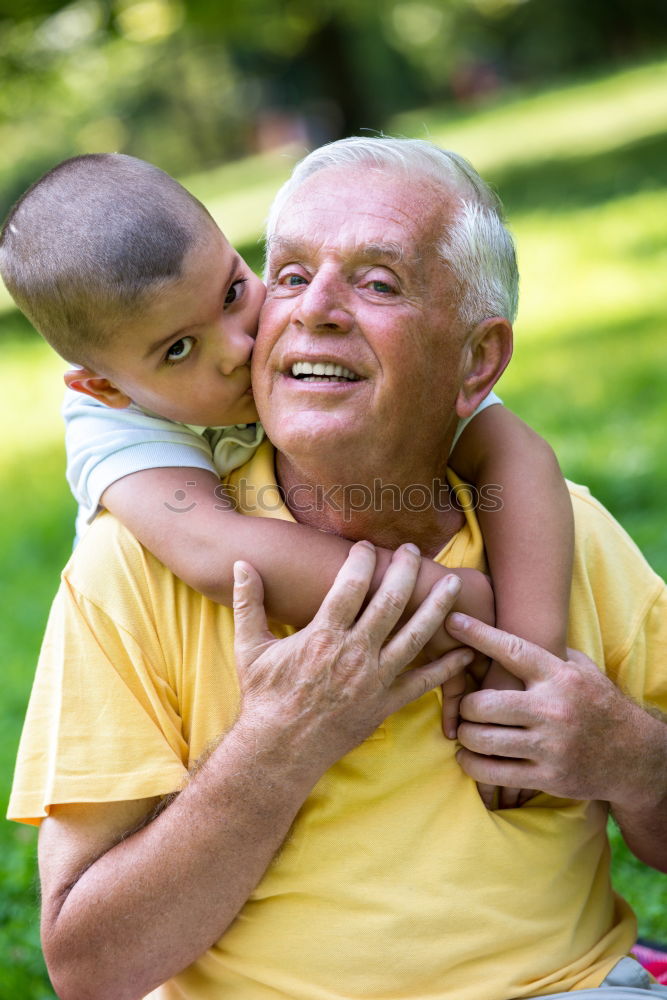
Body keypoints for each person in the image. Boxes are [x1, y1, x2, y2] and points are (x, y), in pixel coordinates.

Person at [7, 137, 667, 1000]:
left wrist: (630, 757)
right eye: (290, 274)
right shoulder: (131, 559)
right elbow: (90, 970)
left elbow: (518, 456)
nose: (310, 309)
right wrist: (280, 744)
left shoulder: (558, 532)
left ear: (475, 361)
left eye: (377, 281)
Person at [0, 153, 572, 780]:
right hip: (214, 709)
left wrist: (524, 660)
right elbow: (217, 550)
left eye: (233, 292)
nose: (239, 347)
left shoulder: (318, 336)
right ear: (103, 386)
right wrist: (455, 607)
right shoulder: (110, 427)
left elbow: (514, 451)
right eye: (180, 349)